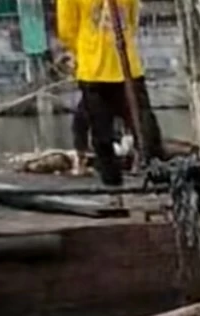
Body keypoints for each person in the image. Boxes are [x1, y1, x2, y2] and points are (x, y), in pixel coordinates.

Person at [55, 0, 163, 187]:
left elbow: (130, 18)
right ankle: (119, 187)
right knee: (107, 134)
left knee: (142, 129)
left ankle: (150, 178)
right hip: (99, 70)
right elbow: (67, 30)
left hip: (122, 68)